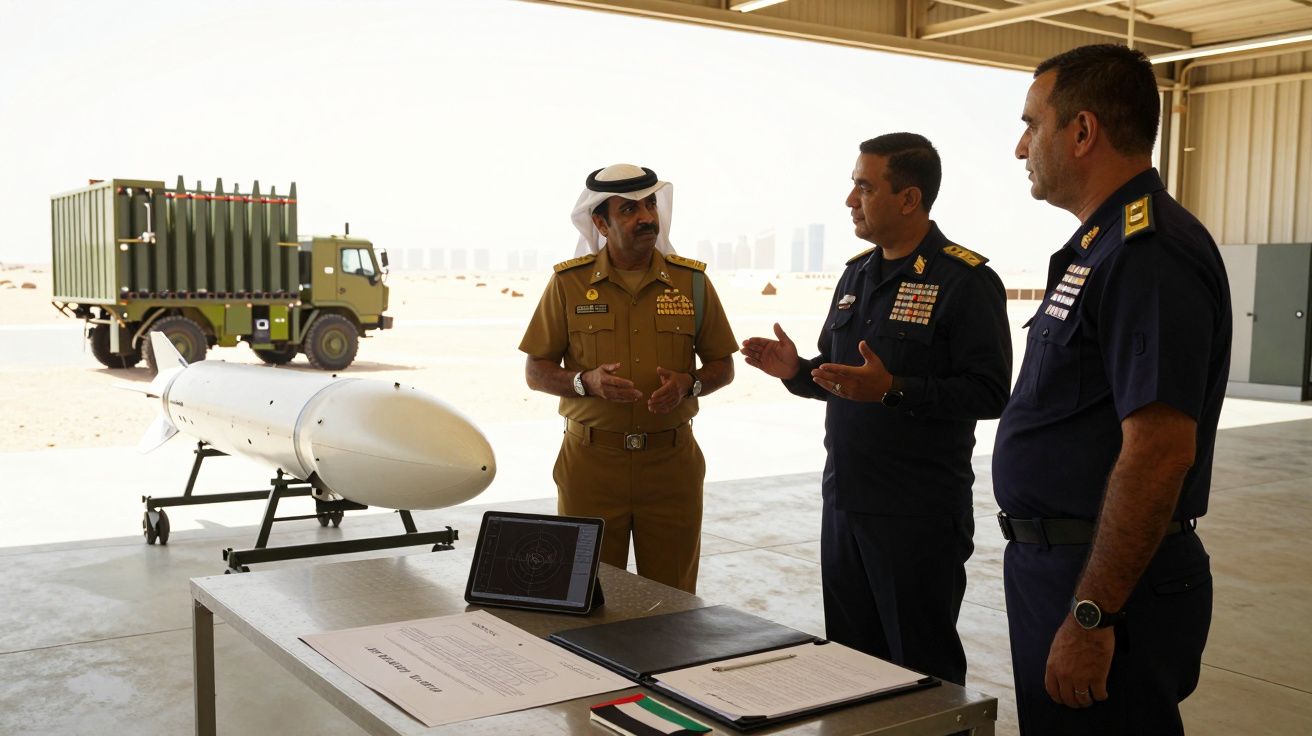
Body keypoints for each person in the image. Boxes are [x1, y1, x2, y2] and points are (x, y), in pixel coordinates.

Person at [993, 44, 1232, 735]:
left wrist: (1093, 614)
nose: (1019, 148)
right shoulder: (1100, 250)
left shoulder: (1145, 252)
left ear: (1083, 131)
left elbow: (1159, 450)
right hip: (1063, 570)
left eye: (1031, 124)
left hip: (1107, 585)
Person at [740, 133, 1011, 685]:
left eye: (864, 187)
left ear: (909, 199)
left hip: (916, 516)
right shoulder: (856, 274)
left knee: (920, 671)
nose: (850, 201)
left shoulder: (965, 280)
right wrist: (796, 370)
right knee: (848, 667)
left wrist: (893, 389)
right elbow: (846, 380)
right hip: (845, 505)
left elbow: (989, 392)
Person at [519, 163, 737, 594]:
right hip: (591, 468)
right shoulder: (569, 283)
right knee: (589, 594)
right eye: (629, 210)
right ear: (600, 222)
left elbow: (722, 366)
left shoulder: (692, 282)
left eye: (650, 205)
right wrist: (586, 382)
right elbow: (536, 371)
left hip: (671, 468)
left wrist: (689, 384)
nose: (647, 218)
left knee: (671, 600)